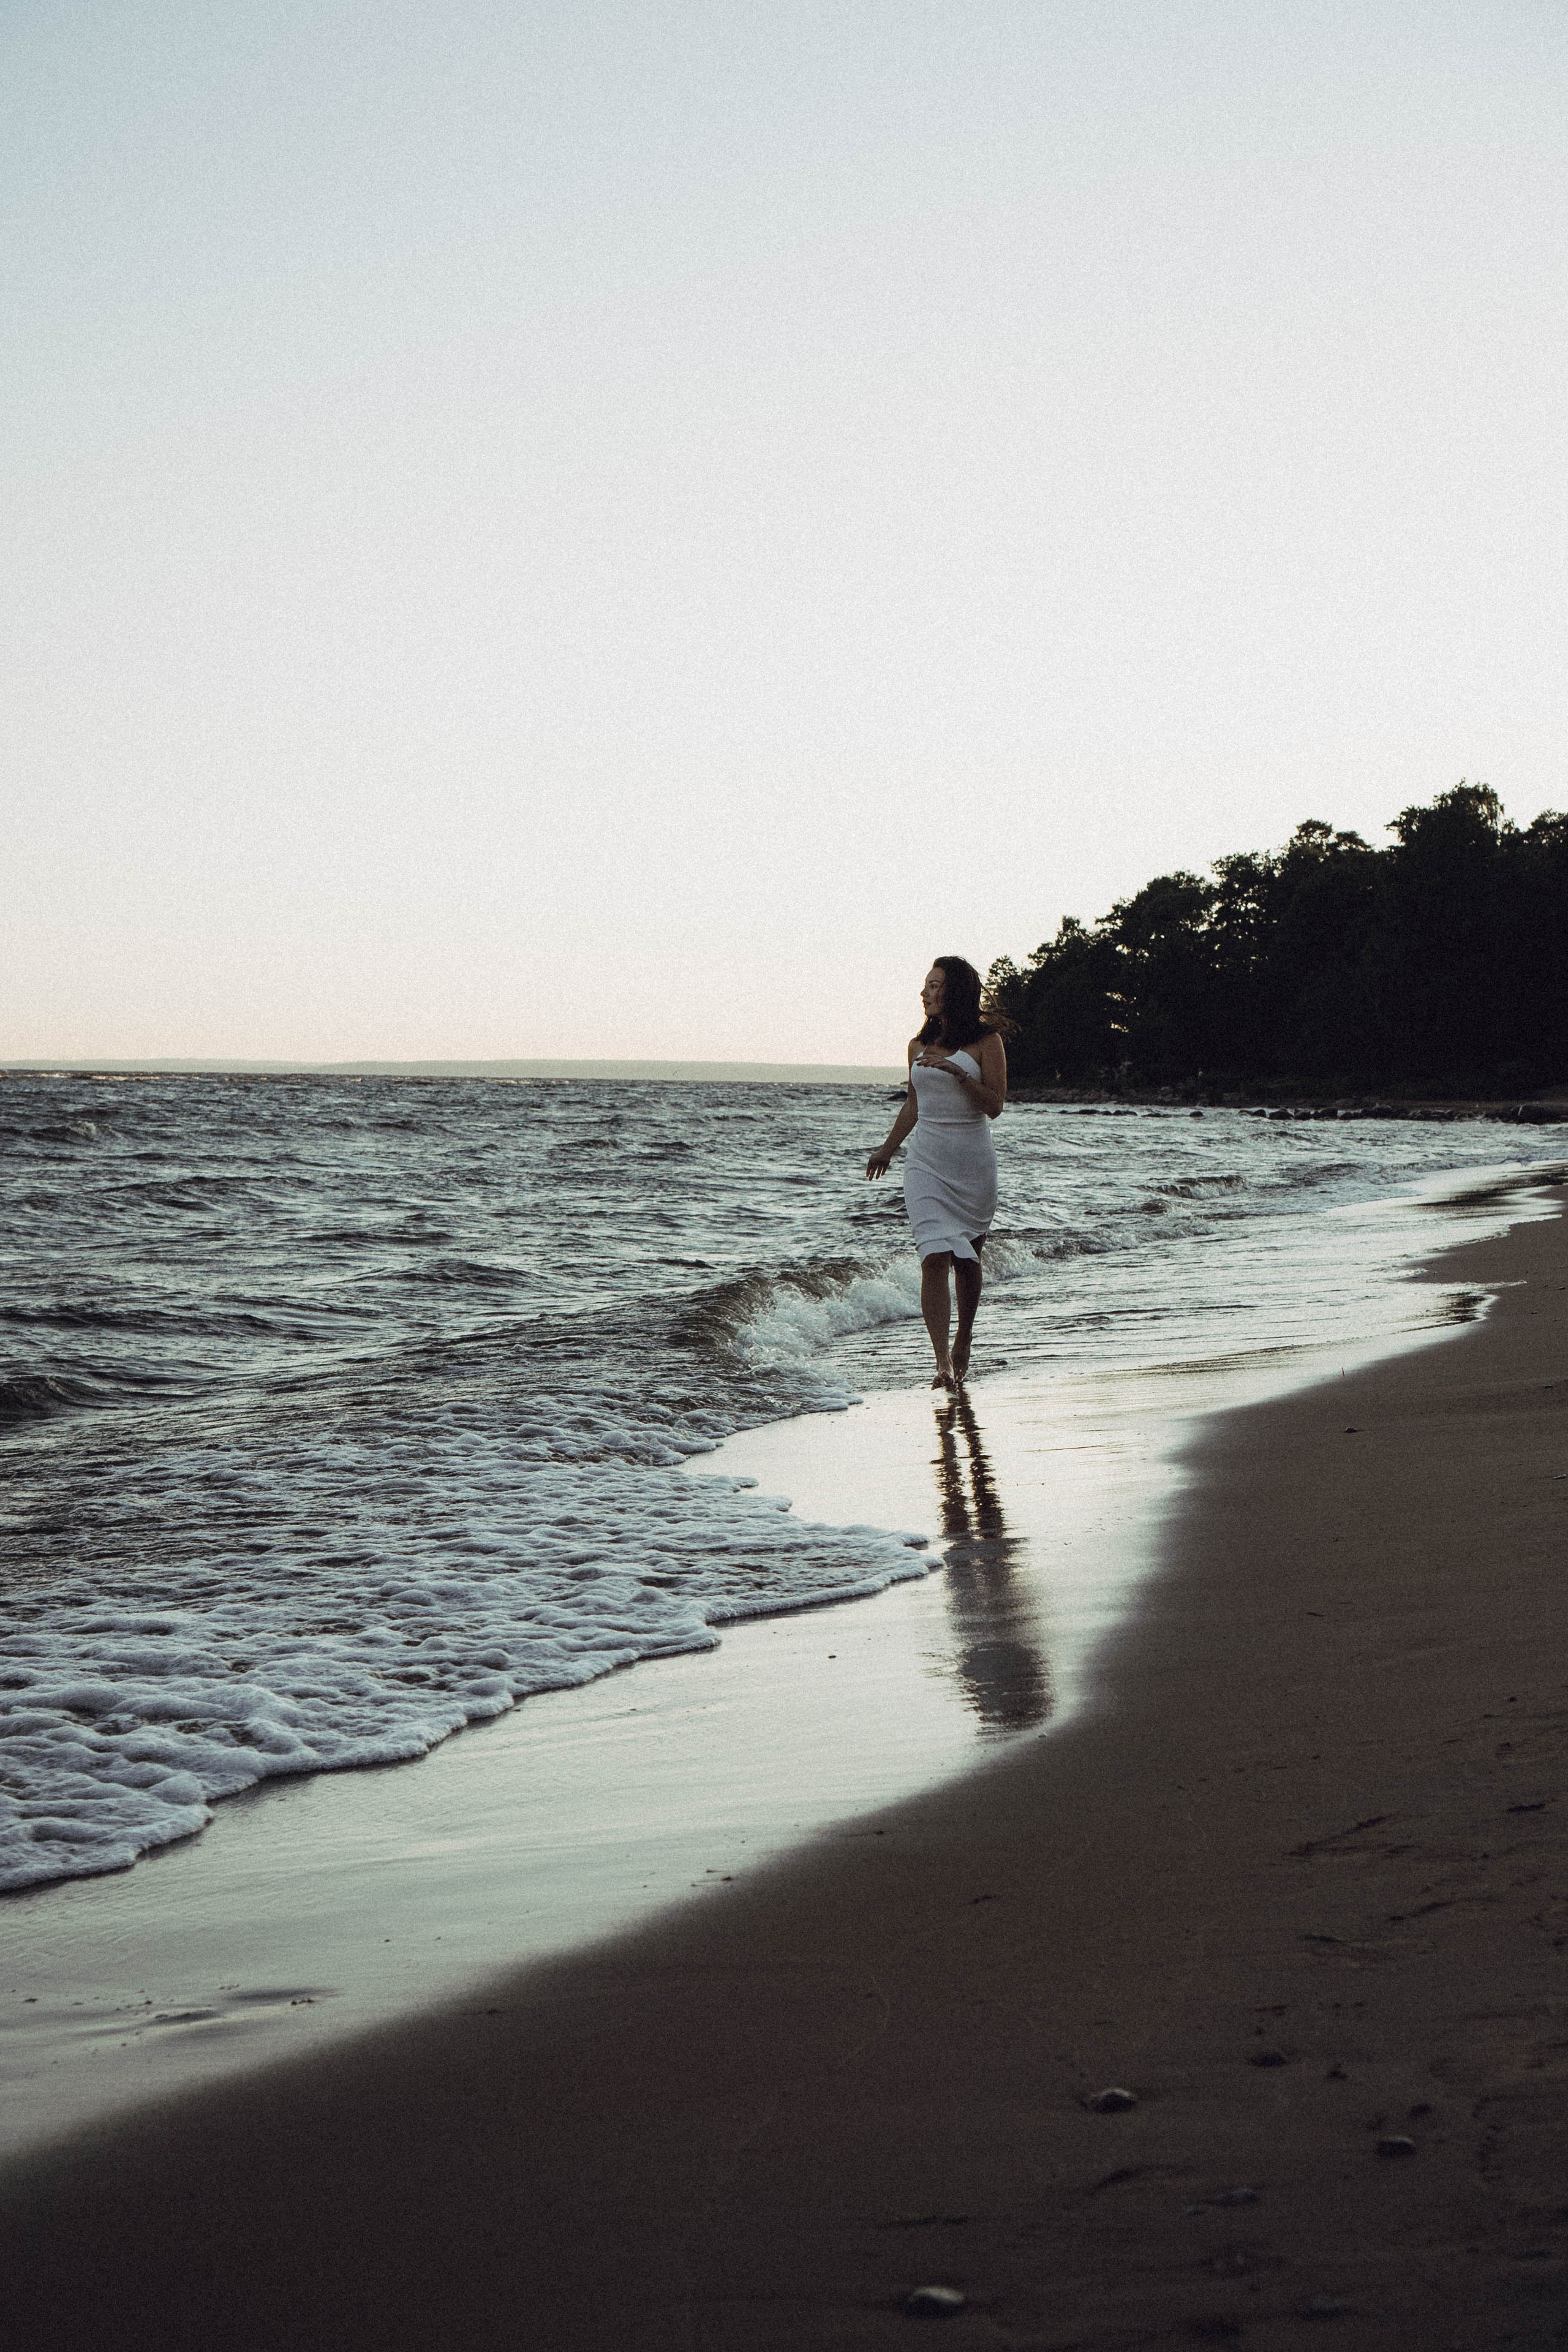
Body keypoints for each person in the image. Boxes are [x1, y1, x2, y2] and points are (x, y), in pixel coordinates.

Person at [865, 956, 1007, 1389]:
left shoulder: (987, 1042)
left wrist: (958, 1074)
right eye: (925, 985)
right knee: (933, 1257)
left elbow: (995, 1106)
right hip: (925, 1162)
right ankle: (942, 1362)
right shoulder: (916, 1045)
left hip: (971, 1164)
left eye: (934, 986)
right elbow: (914, 1103)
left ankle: (963, 1339)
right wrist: (888, 1148)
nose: (924, 993)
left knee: (967, 1262)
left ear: (955, 992)